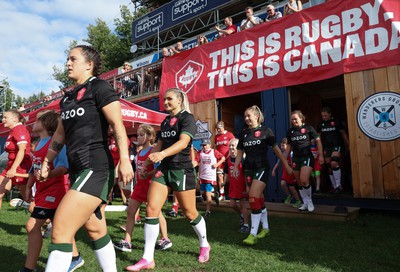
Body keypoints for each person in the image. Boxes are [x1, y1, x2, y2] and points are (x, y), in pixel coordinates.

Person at [39, 45, 134, 272]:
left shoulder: (100, 88)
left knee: (60, 228)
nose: (68, 63)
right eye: (67, 59)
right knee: (95, 230)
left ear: (89, 64)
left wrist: (125, 159)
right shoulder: (68, 98)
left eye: (73, 59)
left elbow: (117, 125)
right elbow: (60, 135)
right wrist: (46, 161)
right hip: (77, 169)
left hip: (96, 166)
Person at [126, 88, 210, 271]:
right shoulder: (165, 122)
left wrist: (162, 154)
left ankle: (204, 244)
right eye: (164, 99)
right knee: (151, 208)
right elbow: (158, 147)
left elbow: (184, 142)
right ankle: (148, 258)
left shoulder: (187, 118)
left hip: (182, 169)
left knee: (189, 212)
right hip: (163, 170)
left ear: (180, 100)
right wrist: (147, 165)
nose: (165, 102)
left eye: (169, 99)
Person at [21, 110, 84, 272]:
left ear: (47, 124)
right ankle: (75, 257)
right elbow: (34, 169)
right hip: (43, 191)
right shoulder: (39, 143)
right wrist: (28, 186)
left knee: (32, 226)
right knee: (61, 226)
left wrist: (49, 175)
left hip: (55, 191)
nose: (34, 122)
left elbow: (64, 166)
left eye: (38, 120)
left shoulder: (55, 143)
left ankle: (29, 268)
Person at [233, 105, 293, 246]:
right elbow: (240, 152)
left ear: (257, 117)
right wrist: (236, 166)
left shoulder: (266, 131)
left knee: (253, 198)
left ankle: (252, 234)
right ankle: (266, 229)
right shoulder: (243, 133)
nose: (246, 118)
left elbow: (277, 150)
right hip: (249, 169)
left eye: (249, 116)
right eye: (245, 116)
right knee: (258, 198)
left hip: (262, 168)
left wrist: (286, 165)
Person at [114, 124, 172, 252]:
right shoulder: (139, 152)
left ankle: (165, 238)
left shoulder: (154, 151)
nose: (138, 137)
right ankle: (127, 242)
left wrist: (149, 174)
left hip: (152, 186)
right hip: (140, 186)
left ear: (150, 136)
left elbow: (159, 168)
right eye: (138, 135)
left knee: (157, 213)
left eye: (141, 135)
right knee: (130, 211)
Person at [286, 110, 324, 212]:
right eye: (292, 119)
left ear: (301, 118)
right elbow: (289, 145)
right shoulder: (290, 131)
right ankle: (305, 202)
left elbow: (318, 140)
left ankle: (310, 201)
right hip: (296, 158)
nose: (294, 121)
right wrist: (285, 158)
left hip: (307, 156)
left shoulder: (308, 128)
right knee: (299, 182)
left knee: (304, 180)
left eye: (295, 119)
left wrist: (320, 155)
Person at [0, 110, 32, 209]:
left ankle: (49, 218)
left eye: (5, 117)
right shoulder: (13, 130)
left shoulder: (20, 129)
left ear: (14, 119)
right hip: (11, 167)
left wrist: (13, 169)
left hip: (21, 168)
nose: (3, 120)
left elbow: (22, 150)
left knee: (29, 200)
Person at [316, 107, 349, 193]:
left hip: (336, 145)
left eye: (326, 115)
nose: (324, 117)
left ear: (330, 114)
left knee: (334, 162)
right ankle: (334, 186)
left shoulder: (337, 122)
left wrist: (348, 144)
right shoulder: (320, 124)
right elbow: (318, 137)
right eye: (322, 116)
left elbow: (343, 133)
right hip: (326, 147)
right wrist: (319, 151)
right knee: (329, 167)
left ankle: (338, 186)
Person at [224, 138, 249, 233]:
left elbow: (246, 173)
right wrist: (224, 181)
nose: (231, 147)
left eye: (233, 145)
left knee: (243, 204)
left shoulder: (242, 158)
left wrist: (247, 185)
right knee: (232, 204)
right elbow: (226, 172)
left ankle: (246, 225)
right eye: (230, 146)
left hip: (242, 185)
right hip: (233, 186)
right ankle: (243, 215)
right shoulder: (228, 159)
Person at [195, 138, 225, 217]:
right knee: (202, 192)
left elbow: (223, 158)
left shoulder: (214, 152)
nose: (204, 147)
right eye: (203, 145)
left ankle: (208, 211)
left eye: (205, 145)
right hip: (202, 176)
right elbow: (196, 161)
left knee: (207, 194)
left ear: (209, 145)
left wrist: (217, 164)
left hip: (210, 176)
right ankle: (215, 195)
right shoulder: (200, 152)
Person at [272, 138, 301, 208]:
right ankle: (289, 195)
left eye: (283, 145)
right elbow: (278, 162)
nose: (282, 147)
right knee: (283, 183)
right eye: (281, 145)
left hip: (291, 173)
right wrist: (274, 170)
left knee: (292, 188)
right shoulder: (282, 154)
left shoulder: (292, 153)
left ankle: (298, 200)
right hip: (285, 172)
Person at [214, 121, 235, 200]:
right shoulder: (216, 137)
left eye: (219, 129)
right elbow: (217, 148)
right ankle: (222, 195)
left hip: (229, 158)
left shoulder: (229, 134)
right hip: (220, 160)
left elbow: (235, 145)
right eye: (217, 129)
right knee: (220, 176)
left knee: (231, 176)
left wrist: (232, 155)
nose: (218, 130)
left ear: (223, 127)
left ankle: (234, 194)